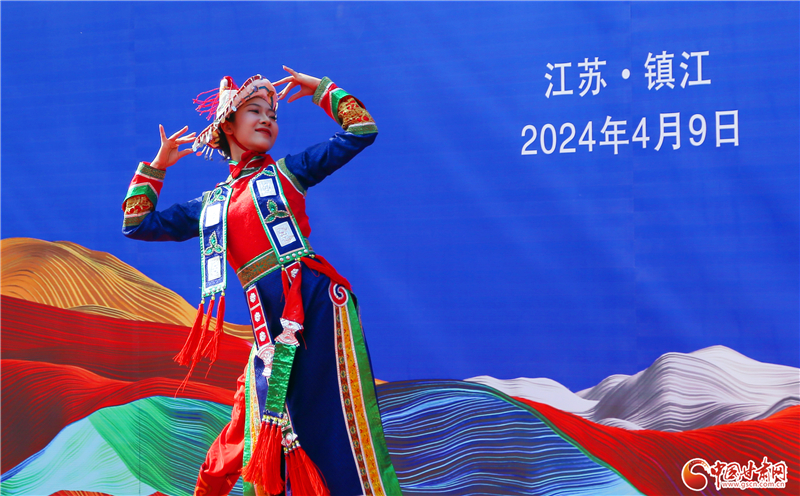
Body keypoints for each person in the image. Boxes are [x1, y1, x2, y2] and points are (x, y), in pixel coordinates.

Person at [122, 67, 402, 496]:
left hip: (310, 307)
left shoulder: (289, 173)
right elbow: (137, 224)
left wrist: (322, 91)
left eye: (273, 114)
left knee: (328, 422)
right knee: (250, 432)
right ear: (227, 125)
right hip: (267, 329)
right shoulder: (211, 205)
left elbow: (361, 130)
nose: (268, 119)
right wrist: (157, 167)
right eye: (255, 111)